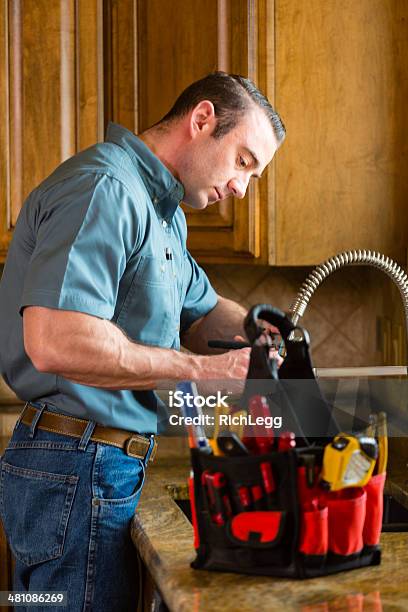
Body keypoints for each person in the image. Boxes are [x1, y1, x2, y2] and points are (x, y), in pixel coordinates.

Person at [0, 72, 285, 610]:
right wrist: (203, 371)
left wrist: (265, 330)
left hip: (96, 464)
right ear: (202, 120)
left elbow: (203, 311)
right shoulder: (105, 189)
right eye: (243, 162)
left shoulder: (164, 212)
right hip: (75, 464)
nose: (242, 188)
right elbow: (56, 341)